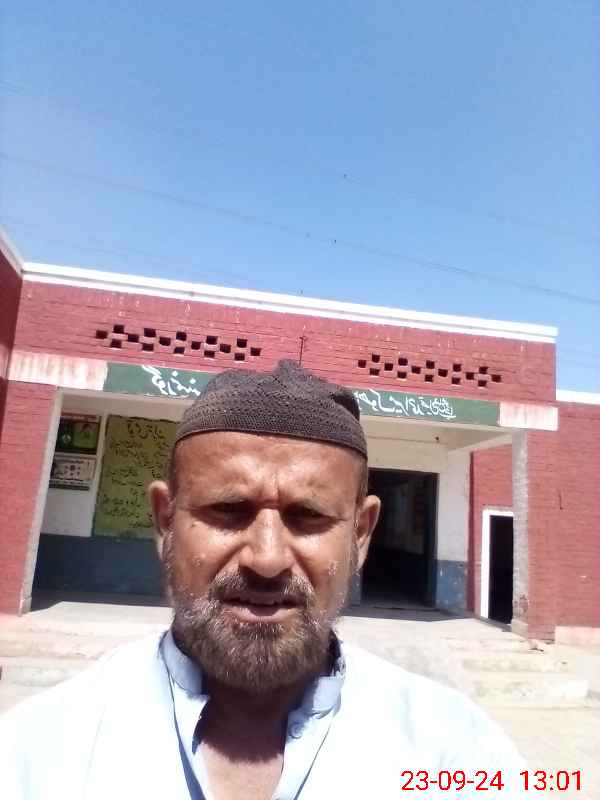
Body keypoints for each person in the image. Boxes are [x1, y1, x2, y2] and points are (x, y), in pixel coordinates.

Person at [0, 360, 526, 799]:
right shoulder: (39, 754)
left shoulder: (454, 751)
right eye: (228, 510)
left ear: (361, 535)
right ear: (165, 522)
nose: (268, 559)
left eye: (309, 515)